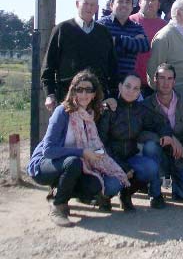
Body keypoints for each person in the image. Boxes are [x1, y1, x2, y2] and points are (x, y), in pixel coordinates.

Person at [28, 70, 129, 227]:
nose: (84, 94)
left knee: (96, 185)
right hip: (45, 164)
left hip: (73, 165)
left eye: (88, 90)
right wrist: (82, 152)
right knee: (74, 162)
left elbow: (96, 146)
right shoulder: (62, 112)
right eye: (79, 89)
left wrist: (104, 159)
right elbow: (48, 150)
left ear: (94, 94)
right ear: (72, 91)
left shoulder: (90, 115)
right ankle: (58, 205)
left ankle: (59, 190)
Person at [97, 73, 174, 210]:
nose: (131, 91)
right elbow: (100, 143)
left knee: (150, 167)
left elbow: (159, 122)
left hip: (131, 157)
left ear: (139, 92)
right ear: (120, 87)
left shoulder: (140, 110)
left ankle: (126, 194)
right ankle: (105, 196)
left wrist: (166, 134)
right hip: (109, 159)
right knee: (114, 183)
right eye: (127, 86)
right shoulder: (109, 109)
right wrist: (121, 166)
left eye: (136, 88)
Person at [41, 0, 118, 111]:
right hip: (67, 99)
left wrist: (112, 95)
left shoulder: (104, 33)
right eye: (86, 3)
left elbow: (113, 68)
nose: (89, 7)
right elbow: (48, 66)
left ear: (97, 8)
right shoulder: (62, 30)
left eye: (93, 5)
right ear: (77, 4)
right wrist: (49, 94)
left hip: (97, 102)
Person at [141, 63, 183, 202]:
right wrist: (168, 137)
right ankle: (155, 193)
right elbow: (140, 134)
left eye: (170, 78)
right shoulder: (145, 106)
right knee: (149, 147)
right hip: (160, 157)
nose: (166, 83)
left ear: (174, 81)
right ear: (155, 79)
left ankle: (177, 185)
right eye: (162, 78)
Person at [147, 0, 183, 101]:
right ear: (178, 13)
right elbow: (153, 71)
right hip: (177, 99)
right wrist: (165, 97)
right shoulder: (165, 36)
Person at [98, 0, 150, 80]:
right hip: (105, 81)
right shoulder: (101, 25)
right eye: (120, 1)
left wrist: (117, 40)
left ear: (132, 7)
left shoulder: (136, 27)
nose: (124, 5)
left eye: (128, 2)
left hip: (127, 84)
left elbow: (145, 46)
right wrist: (132, 43)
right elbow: (102, 47)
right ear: (111, 5)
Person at [129, 0, 167, 96]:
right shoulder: (130, 21)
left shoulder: (165, 27)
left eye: (153, 0)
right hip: (132, 82)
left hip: (156, 84)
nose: (150, 3)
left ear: (159, 5)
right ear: (140, 2)